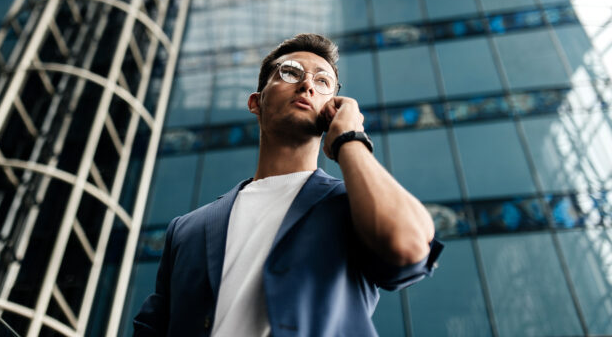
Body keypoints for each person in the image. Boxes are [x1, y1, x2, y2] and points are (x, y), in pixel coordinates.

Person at [133, 33, 443, 336]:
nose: (307, 84)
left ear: (332, 108)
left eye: (322, 82)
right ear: (257, 102)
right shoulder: (186, 230)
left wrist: (350, 139)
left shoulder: (355, 204)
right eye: (291, 72)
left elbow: (410, 247)